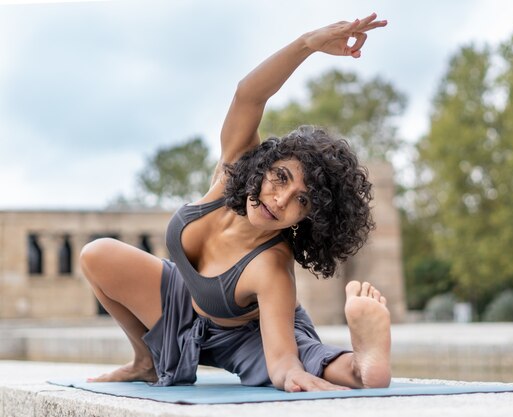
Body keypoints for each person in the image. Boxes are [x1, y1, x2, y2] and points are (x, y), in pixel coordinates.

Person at [80, 13, 391, 392]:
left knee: (311, 364)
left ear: (311, 218)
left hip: (245, 337)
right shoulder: (232, 170)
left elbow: (282, 364)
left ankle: (363, 361)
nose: (280, 198)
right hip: (181, 303)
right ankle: (146, 360)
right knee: (97, 254)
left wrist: (290, 371)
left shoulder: (272, 267)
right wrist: (307, 44)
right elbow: (249, 94)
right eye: (280, 177)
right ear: (262, 166)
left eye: (302, 200)